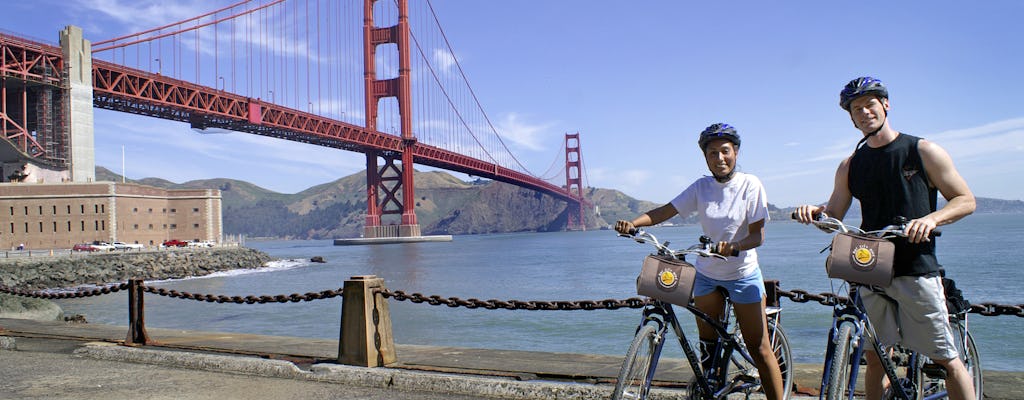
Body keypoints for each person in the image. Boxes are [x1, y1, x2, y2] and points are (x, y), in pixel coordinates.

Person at [793, 76, 977, 400]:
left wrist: (930, 219)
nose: (864, 113)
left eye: (870, 105)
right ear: (851, 119)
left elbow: (965, 200)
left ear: (886, 104)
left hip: (915, 265)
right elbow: (833, 215)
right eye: (856, 109)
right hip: (870, 267)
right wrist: (815, 214)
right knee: (875, 357)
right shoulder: (850, 165)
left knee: (946, 359)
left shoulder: (922, 150)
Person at [615, 123, 784, 400]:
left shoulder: (750, 185)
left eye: (725, 151)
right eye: (713, 153)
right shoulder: (701, 187)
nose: (720, 158)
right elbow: (665, 211)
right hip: (706, 273)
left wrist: (735, 246)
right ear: (705, 157)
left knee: (759, 348)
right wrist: (632, 224)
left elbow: (758, 237)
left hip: (742, 273)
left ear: (736, 152)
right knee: (709, 348)